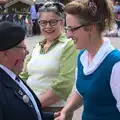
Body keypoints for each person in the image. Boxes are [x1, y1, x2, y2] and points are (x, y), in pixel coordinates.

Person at [55, 0, 120, 120]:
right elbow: (82, 93)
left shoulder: (115, 64)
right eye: (67, 28)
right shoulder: (82, 56)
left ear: (90, 28)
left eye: (72, 29)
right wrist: (65, 110)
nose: (68, 35)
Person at [20, 1, 78, 120]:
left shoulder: (68, 45)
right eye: (43, 23)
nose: (47, 27)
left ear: (61, 22)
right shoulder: (37, 46)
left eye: (52, 22)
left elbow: (63, 85)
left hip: (55, 111)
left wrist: (33, 105)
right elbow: (24, 76)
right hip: (31, 107)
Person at [0, 21, 54, 120]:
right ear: (5, 54)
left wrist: (53, 117)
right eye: (23, 48)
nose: (27, 52)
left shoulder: (12, 76)